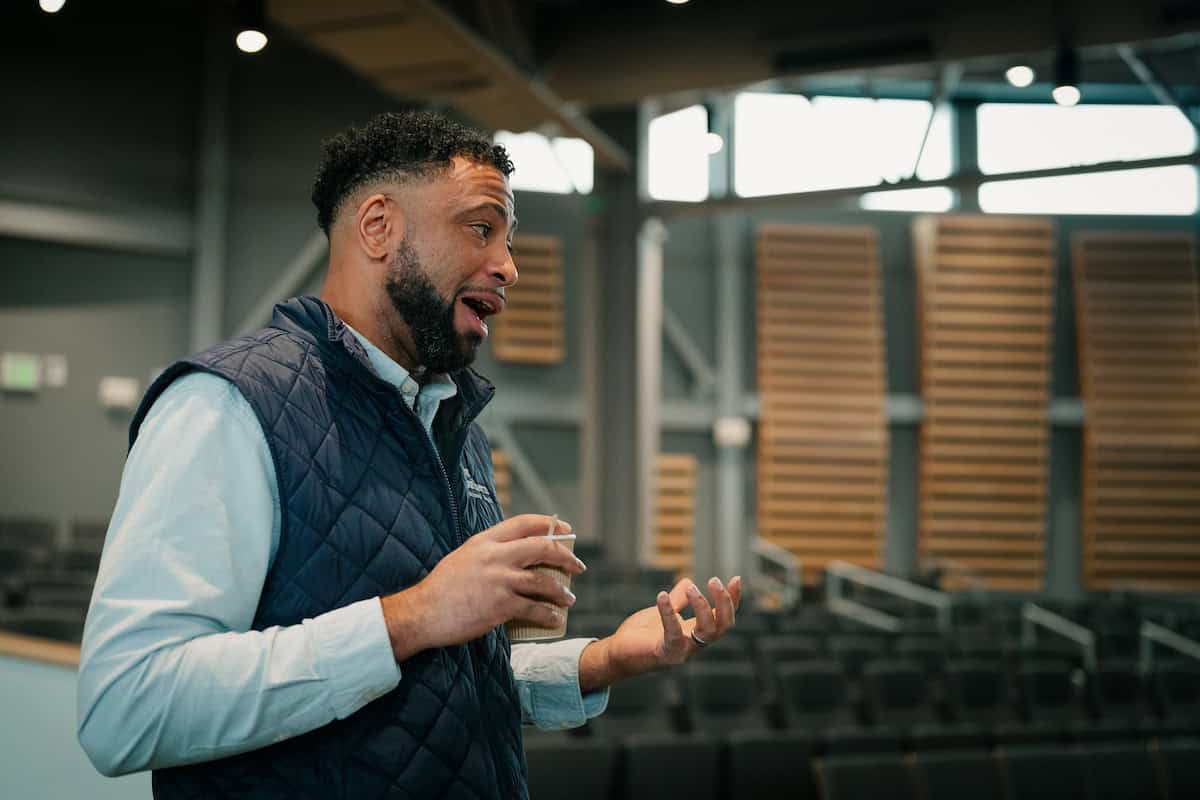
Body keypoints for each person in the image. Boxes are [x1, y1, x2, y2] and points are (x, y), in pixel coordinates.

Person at [77, 110, 741, 799]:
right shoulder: (226, 405)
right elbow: (126, 710)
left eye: (508, 240)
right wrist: (415, 614)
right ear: (378, 227)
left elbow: (437, 686)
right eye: (482, 228)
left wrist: (602, 661)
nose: (509, 267)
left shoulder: (450, 423)